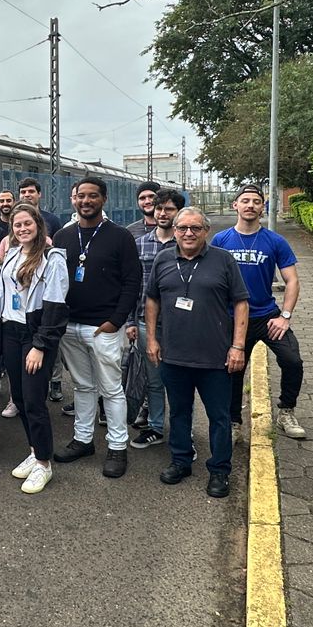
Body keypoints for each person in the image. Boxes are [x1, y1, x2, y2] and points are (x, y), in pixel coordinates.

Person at [147, 207, 249, 497]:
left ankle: (219, 470)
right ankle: (180, 461)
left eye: (195, 228)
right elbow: (152, 299)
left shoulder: (223, 260)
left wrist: (238, 346)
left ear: (206, 231)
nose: (188, 234)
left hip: (215, 357)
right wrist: (152, 339)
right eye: (182, 228)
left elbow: (241, 303)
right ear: (175, 231)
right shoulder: (163, 259)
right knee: (179, 413)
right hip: (174, 355)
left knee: (218, 416)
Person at [51, 175, 142, 478]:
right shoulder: (64, 237)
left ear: (104, 200)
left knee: (111, 389)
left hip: (104, 328)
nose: (85, 201)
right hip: (71, 327)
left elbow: (132, 282)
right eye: (80, 196)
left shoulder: (119, 236)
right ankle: (83, 440)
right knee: (82, 386)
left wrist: (116, 321)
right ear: (72, 200)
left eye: (92, 196)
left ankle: (117, 446)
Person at [213, 184, 307, 438]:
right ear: (235, 205)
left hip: (267, 316)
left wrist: (284, 316)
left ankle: (286, 412)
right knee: (233, 370)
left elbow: (293, 281)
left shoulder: (275, 241)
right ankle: (234, 423)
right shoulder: (220, 240)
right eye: (245, 200)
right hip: (231, 318)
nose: (251, 205)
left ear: (262, 207)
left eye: (256, 201)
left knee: (292, 361)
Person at [0, 203, 69, 494]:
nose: (22, 229)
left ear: (38, 225)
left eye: (27, 223)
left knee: (35, 400)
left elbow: (55, 307)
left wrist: (40, 345)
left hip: (34, 334)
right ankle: (34, 449)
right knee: (21, 399)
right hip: (10, 331)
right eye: (17, 225)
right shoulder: (12, 254)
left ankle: (44, 463)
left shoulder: (52, 259)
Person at [130, 187, 183, 449]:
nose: (162, 213)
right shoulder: (139, 243)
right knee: (153, 380)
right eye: (159, 208)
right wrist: (130, 322)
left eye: (169, 209)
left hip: (179, 325)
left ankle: (183, 433)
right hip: (144, 322)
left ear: (178, 213)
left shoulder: (186, 244)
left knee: (179, 381)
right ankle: (155, 427)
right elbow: (131, 286)